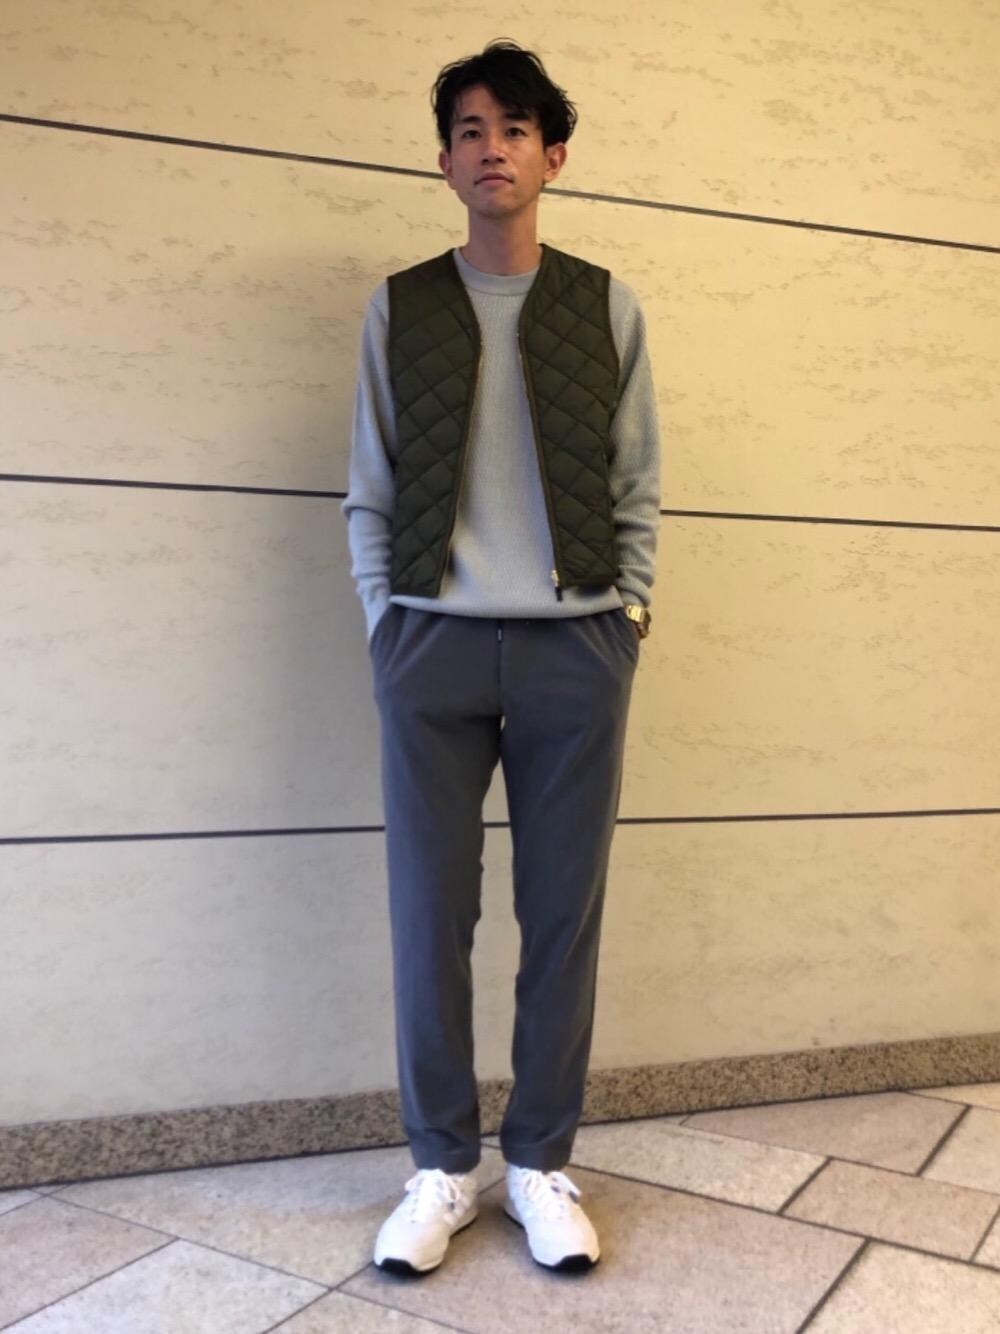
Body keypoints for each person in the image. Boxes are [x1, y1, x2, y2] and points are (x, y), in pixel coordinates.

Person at [341, 37, 661, 1276]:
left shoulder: (604, 305)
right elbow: (370, 480)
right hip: (429, 640)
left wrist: (628, 614)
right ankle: (440, 1165)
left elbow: (636, 479)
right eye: (470, 130)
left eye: (515, 129)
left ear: (553, 156)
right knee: (429, 912)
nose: (492, 148)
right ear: (445, 160)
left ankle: (537, 1160)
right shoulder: (402, 305)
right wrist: (384, 619)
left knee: (561, 913)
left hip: (576, 642)